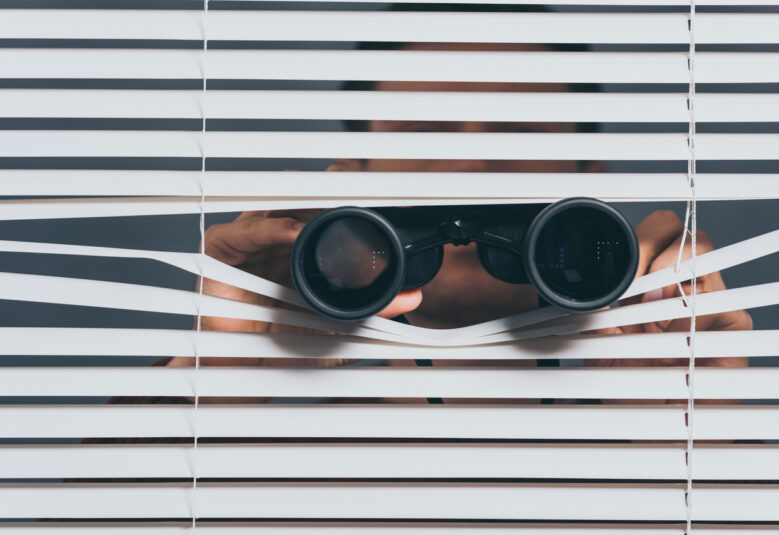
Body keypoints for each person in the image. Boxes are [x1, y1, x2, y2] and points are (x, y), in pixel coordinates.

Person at [167, 22, 752, 401]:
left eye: (520, 136)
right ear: (347, 184)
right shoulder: (252, 469)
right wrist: (217, 373)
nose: (470, 171)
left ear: (588, 191)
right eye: (425, 134)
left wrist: (703, 434)